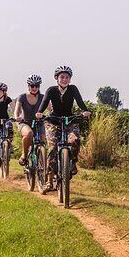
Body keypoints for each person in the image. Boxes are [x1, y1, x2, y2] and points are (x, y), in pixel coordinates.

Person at [35, 65, 91, 193]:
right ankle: (49, 181)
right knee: (53, 148)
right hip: (53, 121)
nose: (64, 79)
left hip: (69, 120)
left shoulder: (73, 89)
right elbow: (43, 103)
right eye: (62, 77)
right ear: (57, 78)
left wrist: (85, 111)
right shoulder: (51, 90)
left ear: (70, 79)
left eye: (67, 77)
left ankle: (73, 163)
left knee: (75, 140)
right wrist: (39, 112)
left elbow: (80, 102)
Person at [14, 74, 45, 166]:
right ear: (28, 86)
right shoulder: (22, 97)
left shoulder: (43, 97)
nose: (34, 88)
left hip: (38, 123)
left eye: (37, 86)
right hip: (25, 123)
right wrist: (17, 117)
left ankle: (42, 167)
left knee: (42, 142)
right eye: (32, 85)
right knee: (29, 134)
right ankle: (24, 154)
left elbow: (51, 108)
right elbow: (17, 110)